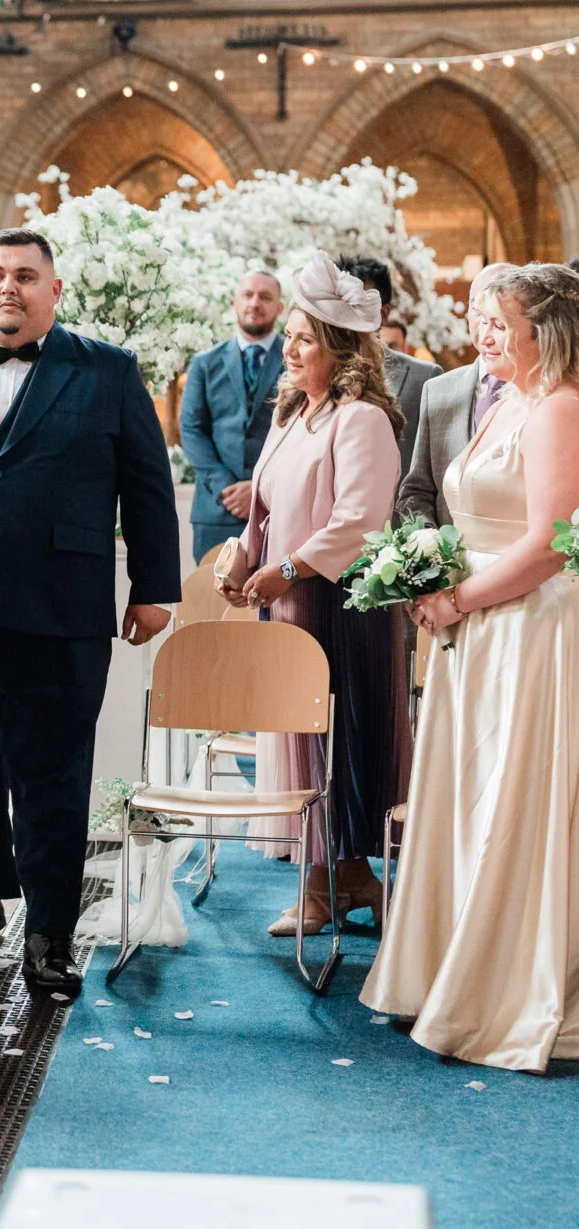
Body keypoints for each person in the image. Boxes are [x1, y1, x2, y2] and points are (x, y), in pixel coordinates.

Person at [0, 229, 181, 999]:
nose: (8, 287)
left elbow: (146, 484)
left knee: (53, 771)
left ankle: (50, 931)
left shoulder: (109, 370)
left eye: (25, 275)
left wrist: (154, 587)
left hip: (62, 603)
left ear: (55, 291)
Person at [362, 263, 579, 1073]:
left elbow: (552, 543)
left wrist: (457, 599)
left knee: (509, 802)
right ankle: (456, 968)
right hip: (480, 630)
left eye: (497, 321)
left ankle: (509, 988)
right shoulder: (511, 401)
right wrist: (429, 579)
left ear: (543, 331)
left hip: (528, 627)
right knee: (468, 798)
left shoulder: (560, 406)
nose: (481, 332)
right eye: (476, 318)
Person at [217, 254, 411, 934]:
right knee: (299, 739)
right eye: (290, 336)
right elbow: (262, 509)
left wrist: (290, 570)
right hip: (289, 603)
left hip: (340, 603)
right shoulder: (293, 415)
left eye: (304, 338)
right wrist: (240, 560)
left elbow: (358, 521)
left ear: (339, 349)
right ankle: (342, 881)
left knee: (340, 742)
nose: (289, 350)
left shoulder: (361, 420)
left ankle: (336, 883)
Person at [179, 270, 286, 564]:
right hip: (216, 511)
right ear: (234, 302)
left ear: (279, 308)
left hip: (278, 510)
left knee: (274, 609)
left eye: (265, 297)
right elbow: (191, 428)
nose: (255, 303)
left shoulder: (297, 361)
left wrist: (260, 487)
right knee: (211, 604)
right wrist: (226, 486)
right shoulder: (204, 363)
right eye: (247, 295)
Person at [398, 262, 515, 526]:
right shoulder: (438, 389)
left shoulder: (540, 395)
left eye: (499, 312)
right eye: (478, 309)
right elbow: (416, 490)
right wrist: (430, 547)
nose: (486, 324)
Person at [338, 257, 443, 476]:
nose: (345, 316)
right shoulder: (312, 371)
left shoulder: (425, 378)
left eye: (357, 305)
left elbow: (435, 463)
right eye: (340, 305)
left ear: (383, 314)